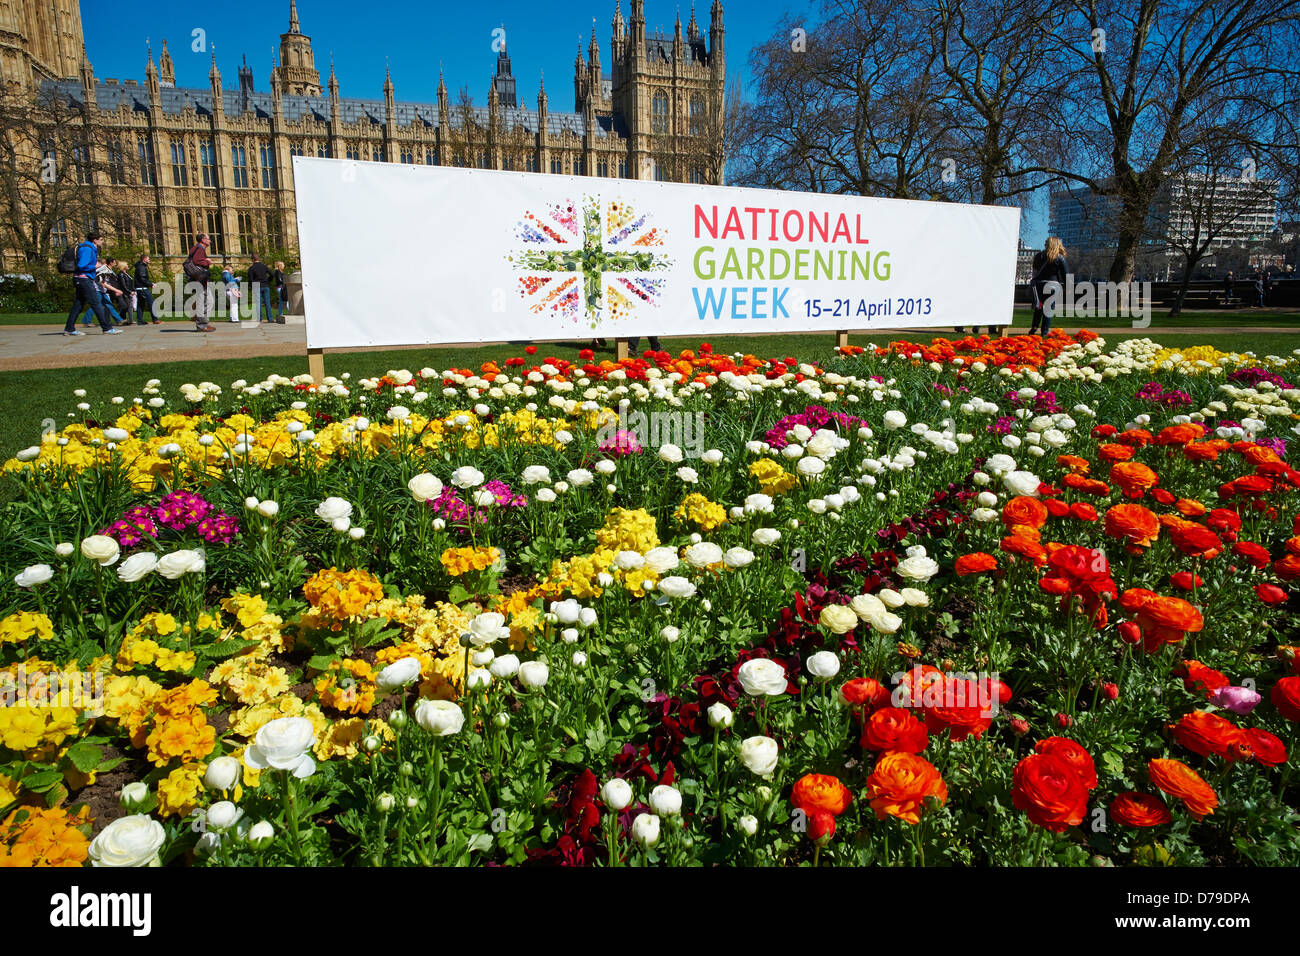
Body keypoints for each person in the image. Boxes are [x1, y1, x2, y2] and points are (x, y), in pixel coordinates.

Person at [63, 231, 118, 335]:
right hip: (84, 279)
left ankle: (69, 328)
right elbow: (82, 265)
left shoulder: (89, 248)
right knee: (96, 303)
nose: (102, 241)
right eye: (101, 239)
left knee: (78, 305)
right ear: (95, 240)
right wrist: (95, 266)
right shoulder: (87, 249)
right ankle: (107, 328)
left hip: (81, 279)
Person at [1028, 237, 1067, 337]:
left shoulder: (1039, 256)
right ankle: (1045, 331)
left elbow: (1035, 270)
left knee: (1038, 307)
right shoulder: (1059, 258)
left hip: (1039, 284)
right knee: (1048, 308)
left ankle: (1034, 327)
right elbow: (1065, 274)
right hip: (1052, 285)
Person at [188, 234, 215, 331]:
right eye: (208, 239)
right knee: (203, 302)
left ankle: (203, 322)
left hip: (200, 280)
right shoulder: (199, 249)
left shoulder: (197, 249)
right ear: (203, 240)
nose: (210, 241)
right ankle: (201, 325)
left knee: (208, 301)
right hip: (200, 280)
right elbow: (196, 261)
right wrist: (208, 261)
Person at [248, 254, 273, 322]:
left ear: (252, 259)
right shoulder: (264, 266)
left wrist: (252, 286)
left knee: (258, 303)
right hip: (265, 285)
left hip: (256, 286)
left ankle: (259, 318)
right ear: (259, 259)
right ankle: (270, 319)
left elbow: (250, 279)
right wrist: (268, 281)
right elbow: (272, 274)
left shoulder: (251, 268)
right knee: (267, 303)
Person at [134, 254, 158, 324]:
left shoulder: (139, 266)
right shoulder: (142, 267)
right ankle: (155, 319)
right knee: (152, 302)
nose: (149, 260)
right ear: (144, 259)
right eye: (148, 259)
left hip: (139, 288)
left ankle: (140, 320)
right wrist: (151, 284)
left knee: (141, 305)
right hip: (143, 288)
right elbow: (142, 278)